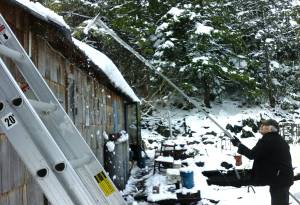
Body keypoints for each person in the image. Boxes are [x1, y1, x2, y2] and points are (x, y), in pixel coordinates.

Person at [231, 119, 293, 205]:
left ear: (270, 128)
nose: (261, 127)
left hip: (280, 179)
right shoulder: (277, 139)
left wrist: (238, 145)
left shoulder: (268, 140)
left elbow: (252, 154)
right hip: (283, 177)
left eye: (263, 126)